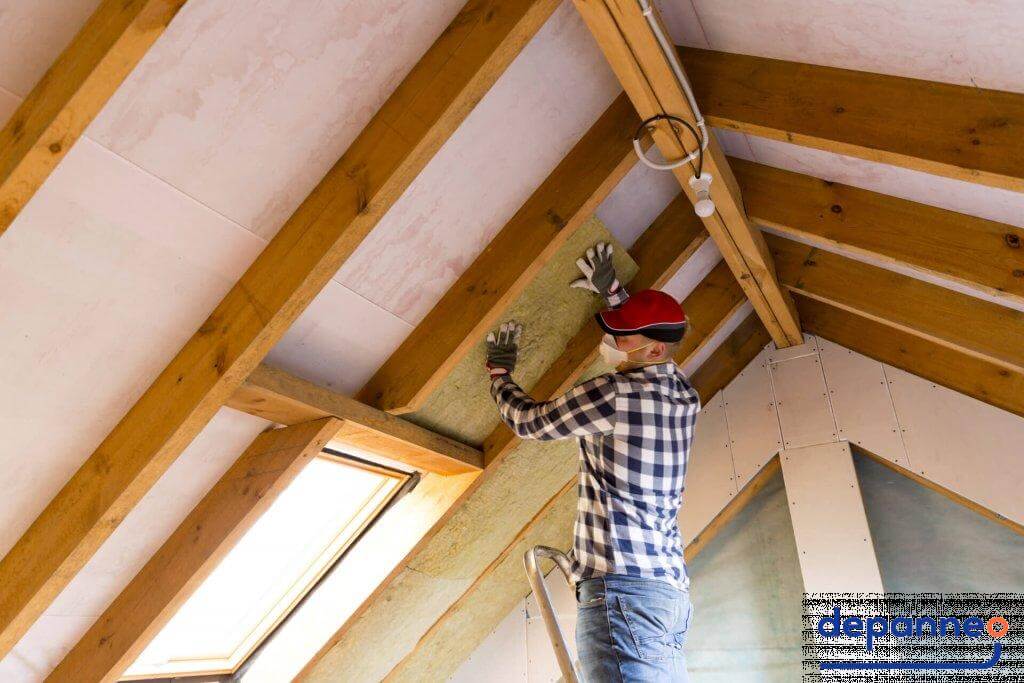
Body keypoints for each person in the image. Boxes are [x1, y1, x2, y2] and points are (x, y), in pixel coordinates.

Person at [485, 242, 700, 682]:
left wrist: (499, 377)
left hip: (622, 594)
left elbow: (530, 422)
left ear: (655, 351)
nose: (613, 342)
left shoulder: (615, 394)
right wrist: (616, 296)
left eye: (623, 336)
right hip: (666, 594)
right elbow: (653, 336)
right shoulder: (684, 394)